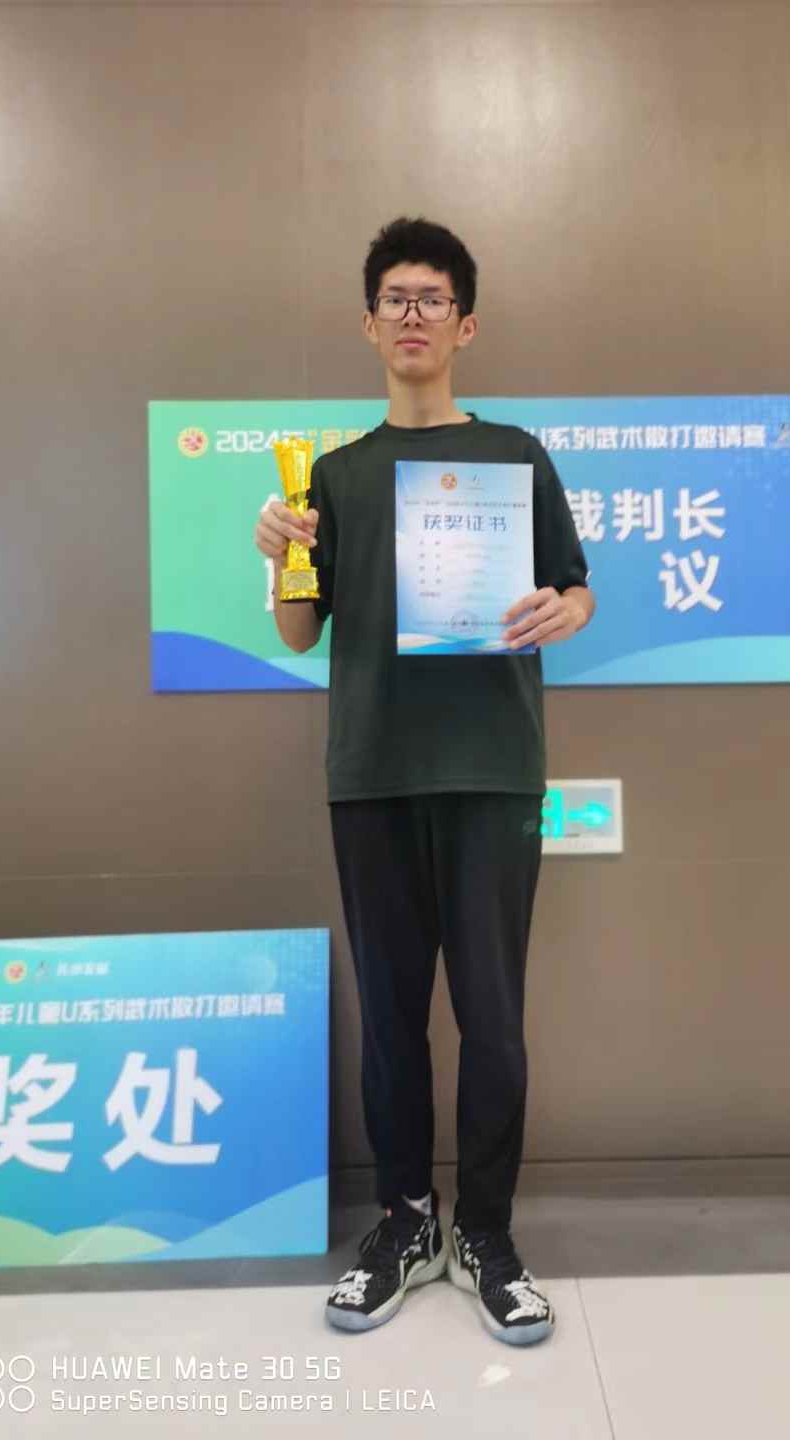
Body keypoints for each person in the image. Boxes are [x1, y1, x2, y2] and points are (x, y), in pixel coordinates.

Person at [254, 217, 594, 1347]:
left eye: (432, 299)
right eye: (395, 298)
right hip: (374, 774)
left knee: (493, 1019)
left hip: (493, 769)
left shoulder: (513, 457)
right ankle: (405, 1223)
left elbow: (576, 587)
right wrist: (278, 557)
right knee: (393, 1020)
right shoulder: (334, 477)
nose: (413, 315)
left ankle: (486, 1234)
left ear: (465, 325)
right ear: (369, 324)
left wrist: (566, 609)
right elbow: (300, 632)